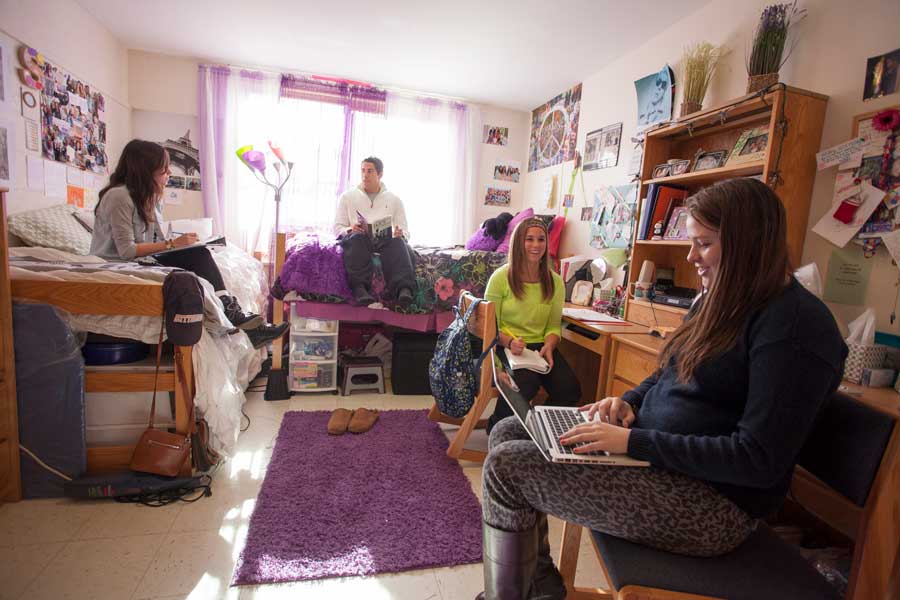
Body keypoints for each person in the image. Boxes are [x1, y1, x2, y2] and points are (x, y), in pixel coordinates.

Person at [475, 178, 847, 600]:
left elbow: (757, 459)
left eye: (704, 244)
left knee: (507, 467)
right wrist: (628, 402)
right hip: (657, 462)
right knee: (507, 433)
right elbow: (667, 373)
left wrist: (634, 442)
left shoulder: (796, 327)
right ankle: (539, 590)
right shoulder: (719, 300)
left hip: (712, 505)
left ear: (748, 244)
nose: (692, 257)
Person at [90, 139, 287, 349]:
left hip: (140, 260)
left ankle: (234, 314)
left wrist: (176, 244)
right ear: (145, 171)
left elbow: (153, 242)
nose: (168, 175)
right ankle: (236, 317)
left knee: (199, 253)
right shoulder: (119, 196)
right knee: (197, 257)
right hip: (118, 262)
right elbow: (127, 251)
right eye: (163, 171)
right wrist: (172, 244)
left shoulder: (149, 198)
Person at [483, 218, 581, 434]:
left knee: (570, 389)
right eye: (529, 239)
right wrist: (509, 342)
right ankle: (497, 427)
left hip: (539, 349)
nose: (536, 245)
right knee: (524, 385)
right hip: (505, 347)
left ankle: (542, 429)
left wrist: (550, 344)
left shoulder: (554, 282)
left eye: (541, 240)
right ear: (519, 242)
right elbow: (488, 328)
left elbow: (554, 327)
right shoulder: (500, 278)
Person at [333, 157, 416, 306]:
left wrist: (400, 233)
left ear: (380, 174)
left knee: (398, 242)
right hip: (359, 239)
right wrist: (349, 229)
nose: (365, 175)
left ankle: (403, 289)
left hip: (385, 241)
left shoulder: (394, 199)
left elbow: (405, 230)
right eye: (363, 171)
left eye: (370, 171)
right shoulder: (347, 197)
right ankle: (360, 289)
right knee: (356, 238)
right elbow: (337, 227)